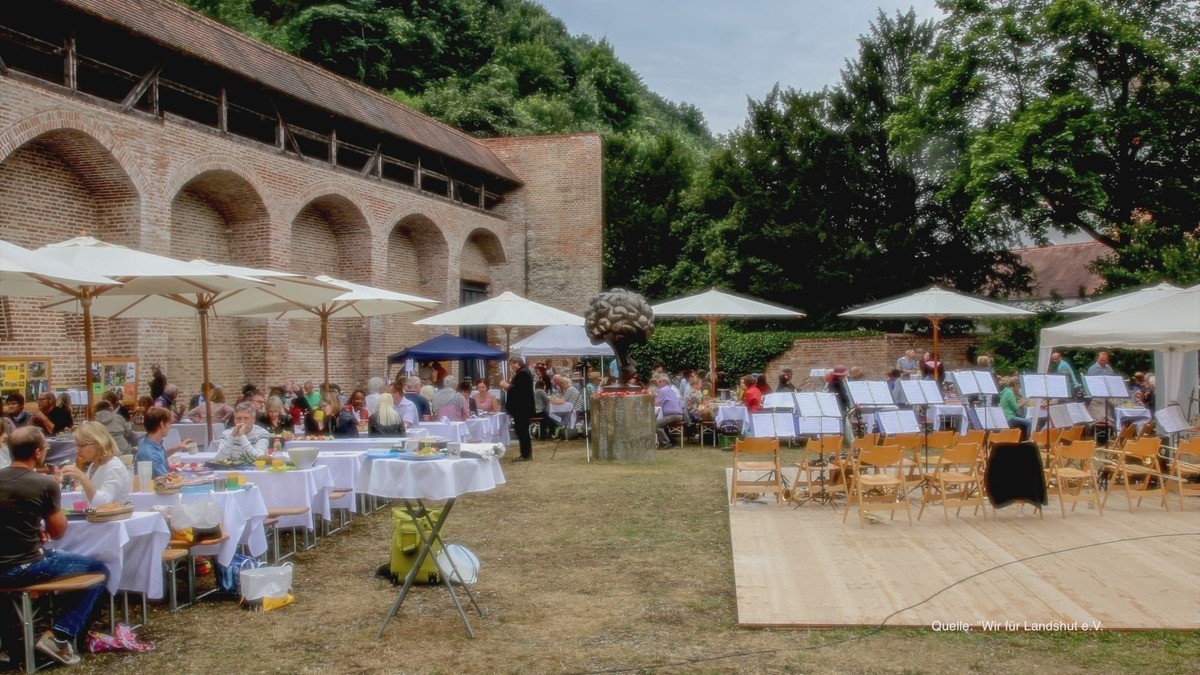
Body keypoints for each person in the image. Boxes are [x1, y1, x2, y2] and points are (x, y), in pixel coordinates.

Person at [0, 427, 109, 667]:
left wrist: (30, 526)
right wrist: (52, 497)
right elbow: (58, 532)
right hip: (24, 566)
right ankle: (60, 635)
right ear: (37, 452)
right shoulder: (44, 484)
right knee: (100, 571)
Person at [62, 421, 130, 507]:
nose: (77, 451)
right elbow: (88, 501)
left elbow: (103, 504)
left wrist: (82, 477)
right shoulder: (93, 466)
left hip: (113, 515)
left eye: (81, 446)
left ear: (97, 444)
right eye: (76, 446)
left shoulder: (114, 466)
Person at [135, 407, 193, 478]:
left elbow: (160, 456)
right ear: (162, 424)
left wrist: (178, 447)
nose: (170, 427)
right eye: (169, 423)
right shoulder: (149, 454)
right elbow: (168, 479)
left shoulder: (147, 441)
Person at [500, 357, 535, 461]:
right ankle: (525, 453)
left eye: (513, 364)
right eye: (511, 364)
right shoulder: (523, 372)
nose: (512, 366)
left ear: (518, 363)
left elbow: (518, 390)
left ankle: (525, 454)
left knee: (522, 430)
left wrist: (506, 385)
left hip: (522, 408)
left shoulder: (523, 373)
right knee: (521, 430)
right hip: (521, 407)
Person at [998, 377, 1032, 441]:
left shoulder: (1006, 391)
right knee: (1029, 422)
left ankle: (1023, 440)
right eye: (1019, 386)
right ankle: (1029, 441)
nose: (1019, 388)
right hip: (1009, 417)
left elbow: (1012, 404)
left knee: (1025, 421)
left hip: (1005, 416)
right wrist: (1023, 402)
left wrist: (1020, 402)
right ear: (1016, 384)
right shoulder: (1009, 392)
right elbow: (1015, 408)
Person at [655, 374, 684, 448]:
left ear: (664, 382)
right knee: (662, 424)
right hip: (678, 415)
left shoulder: (663, 390)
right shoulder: (671, 390)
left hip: (673, 415)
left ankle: (666, 443)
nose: (658, 383)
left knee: (656, 425)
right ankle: (670, 439)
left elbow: (657, 403)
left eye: (659, 381)